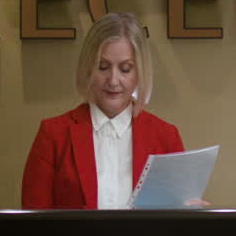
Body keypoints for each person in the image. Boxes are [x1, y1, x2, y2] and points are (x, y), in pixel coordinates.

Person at [22, 12, 184, 209]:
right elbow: (33, 227)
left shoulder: (166, 137)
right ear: (88, 68)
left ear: (140, 72)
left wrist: (189, 216)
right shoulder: (53, 135)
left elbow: (175, 224)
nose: (113, 80)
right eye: (103, 67)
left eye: (125, 69)